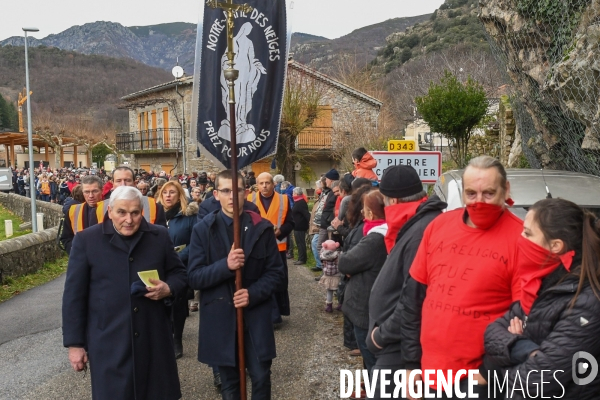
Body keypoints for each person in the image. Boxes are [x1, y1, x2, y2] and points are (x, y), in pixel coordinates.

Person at [400, 156, 522, 398]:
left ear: (505, 190)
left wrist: (489, 371)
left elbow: (524, 317)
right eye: (471, 194)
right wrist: (411, 365)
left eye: (488, 193)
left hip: (479, 381)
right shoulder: (438, 226)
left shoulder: (522, 238)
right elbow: (413, 299)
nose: (479, 202)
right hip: (429, 374)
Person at [62, 186, 187, 400]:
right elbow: (74, 296)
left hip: (153, 338)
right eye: (122, 212)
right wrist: (75, 345)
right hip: (109, 341)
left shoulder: (159, 236)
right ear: (110, 211)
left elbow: (179, 274)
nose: (129, 219)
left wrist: (168, 288)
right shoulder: (86, 241)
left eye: (135, 213)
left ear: (142, 212)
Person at [483, 198, 600, 399]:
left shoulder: (587, 302)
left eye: (528, 233)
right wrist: (524, 348)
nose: (520, 238)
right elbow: (492, 332)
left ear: (555, 245)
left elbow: (537, 381)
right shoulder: (542, 283)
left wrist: (498, 367)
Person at [187, 170, 285, 400]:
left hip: (256, 315)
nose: (232, 196)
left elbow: (276, 274)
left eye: (237, 190)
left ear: (246, 193)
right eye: (225, 191)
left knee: (261, 376)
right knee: (229, 384)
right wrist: (225, 266)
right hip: (220, 318)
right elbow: (194, 277)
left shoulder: (263, 228)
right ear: (216, 194)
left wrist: (252, 294)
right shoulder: (203, 230)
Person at [363, 165, 447, 398]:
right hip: (398, 343)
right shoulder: (418, 222)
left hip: (400, 346)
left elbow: (414, 297)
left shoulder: (421, 230)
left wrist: (381, 336)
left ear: (393, 200)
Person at [338, 189, 388, 376]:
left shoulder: (375, 238)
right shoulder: (386, 231)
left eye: (365, 209)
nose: (362, 213)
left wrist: (349, 264)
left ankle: (374, 390)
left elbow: (345, 262)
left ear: (371, 212)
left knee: (372, 360)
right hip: (372, 306)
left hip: (365, 309)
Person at [157, 181, 198, 360]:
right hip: (157, 266)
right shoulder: (155, 215)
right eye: (164, 192)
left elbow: (196, 242)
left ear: (179, 194)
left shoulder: (189, 216)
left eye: (172, 192)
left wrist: (177, 257)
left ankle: (177, 339)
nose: (168, 196)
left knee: (177, 303)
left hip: (179, 266)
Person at [247, 172, 295, 324]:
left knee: (278, 280)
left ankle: (277, 314)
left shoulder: (284, 199)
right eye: (261, 183)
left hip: (277, 246)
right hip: (257, 247)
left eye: (267, 183)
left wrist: (280, 232)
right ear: (257, 184)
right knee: (259, 279)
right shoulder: (250, 199)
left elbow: (290, 222)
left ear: (273, 184)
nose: (264, 186)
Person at [291, 187, 310, 265]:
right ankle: (300, 258)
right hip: (297, 226)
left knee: (300, 243)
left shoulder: (301, 202)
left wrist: (310, 223)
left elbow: (306, 214)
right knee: (298, 242)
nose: (292, 194)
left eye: (293, 193)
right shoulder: (297, 201)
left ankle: (302, 259)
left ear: (296, 193)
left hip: (300, 226)